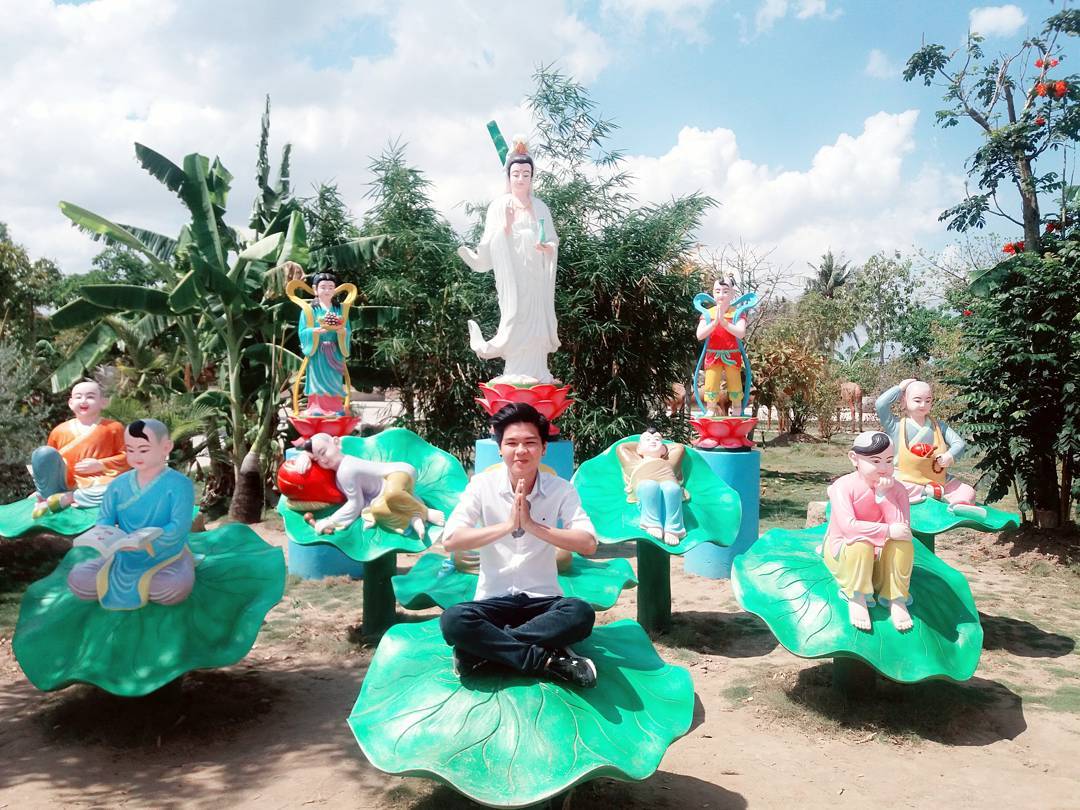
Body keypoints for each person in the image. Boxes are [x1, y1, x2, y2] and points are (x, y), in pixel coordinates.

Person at [439, 403, 600, 687]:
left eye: (530, 443)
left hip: (543, 602)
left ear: (544, 448)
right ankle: (547, 661)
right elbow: (451, 539)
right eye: (512, 443)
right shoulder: (481, 486)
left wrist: (532, 526)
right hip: (492, 602)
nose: (521, 451)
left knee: (581, 614)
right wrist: (508, 525)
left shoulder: (561, 489)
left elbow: (588, 544)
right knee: (454, 620)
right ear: (500, 448)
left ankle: (484, 651)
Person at [457, 137, 559, 383]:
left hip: (536, 273)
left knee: (536, 316)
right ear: (508, 176)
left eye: (526, 174)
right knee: (516, 314)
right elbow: (491, 241)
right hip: (513, 276)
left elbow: (553, 240)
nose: (521, 179)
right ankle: (515, 369)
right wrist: (507, 226)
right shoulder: (499, 206)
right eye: (516, 174)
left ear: (532, 177)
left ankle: (539, 370)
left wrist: (546, 247)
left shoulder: (541, 206)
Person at [67, 419, 196, 610]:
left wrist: (146, 542)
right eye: (130, 449)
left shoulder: (180, 484)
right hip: (122, 555)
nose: (136, 456)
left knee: (173, 587)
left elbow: (178, 527)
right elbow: (105, 520)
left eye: (143, 450)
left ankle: (181, 569)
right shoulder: (118, 485)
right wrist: (109, 540)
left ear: (166, 447)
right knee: (78, 579)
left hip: (164, 555)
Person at [823, 431, 914, 633]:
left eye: (889, 461)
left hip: (881, 553)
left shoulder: (897, 490)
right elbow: (848, 527)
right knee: (860, 543)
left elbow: (903, 531)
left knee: (902, 545)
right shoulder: (843, 487)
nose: (884, 468)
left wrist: (884, 497)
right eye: (875, 461)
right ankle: (857, 595)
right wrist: (888, 530)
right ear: (854, 458)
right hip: (847, 550)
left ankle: (896, 598)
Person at [291, 433, 445, 538]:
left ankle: (426, 512)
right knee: (378, 511)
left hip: (397, 475)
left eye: (323, 452)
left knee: (392, 495)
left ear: (336, 442)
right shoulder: (340, 473)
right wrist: (304, 455)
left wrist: (330, 521)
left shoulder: (346, 469)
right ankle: (413, 518)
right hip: (386, 495)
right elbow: (310, 448)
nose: (322, 460)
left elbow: (355, 504)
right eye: (317, 459)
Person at [29, 379, 128, 518]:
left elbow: (128, 458)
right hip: (64, 481)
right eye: (78, 397)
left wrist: (101, 465)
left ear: (104, 402)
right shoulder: (60, 430)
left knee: (118, 490)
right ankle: (47, 497)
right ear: (70, 403)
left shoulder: (113, 428)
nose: (84, 401)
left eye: (90, 397)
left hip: (98, 483)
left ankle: (69, 498)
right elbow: (50, 463)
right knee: (43, 453)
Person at [875, 378, 978, 509]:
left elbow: (959, 443)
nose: (923, 405)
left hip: (937, 477)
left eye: (928, 401)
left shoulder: (939, 426)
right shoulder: (895, 426)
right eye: (917, 400)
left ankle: (959, 505)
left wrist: (949, 456)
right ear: (904, 401)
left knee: (968, 491)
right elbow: (880, 405)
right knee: (892, 486)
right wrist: (899, 389)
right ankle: (928, 492)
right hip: (905, 478)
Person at [616, 428, 688, 546]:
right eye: (647, 440)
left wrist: (662, 447)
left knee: (672, 489)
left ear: (664, 449)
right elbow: (622, 447)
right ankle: (652, 523)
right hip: (644, 485)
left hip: (667, 480)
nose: (653, 441)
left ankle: (673, 528)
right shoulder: (634, 463)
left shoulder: (669, 462)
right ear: (639, 448)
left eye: (657, 440)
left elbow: (679, 448)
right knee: (649, 486)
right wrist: (640, 444)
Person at [296, 271, 352, 415]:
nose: (327, 290)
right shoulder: (308, 311)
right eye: (323, 287)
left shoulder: (341, 309)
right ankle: (316, 407)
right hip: (317, 351)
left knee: (334, 379)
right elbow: (302, 331)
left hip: (334, 351)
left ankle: (335, 407)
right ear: (315, 289)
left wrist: (343, 332)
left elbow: (348, 330)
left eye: (330, 287)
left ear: (335, 289)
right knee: (317, 380)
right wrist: (313, 332)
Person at [696, 276, 747, 417]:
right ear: (713, 293)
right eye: (717, 291)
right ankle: (711, 409)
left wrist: (724, 323)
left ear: (732, 294)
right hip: (713, 355)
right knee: (711, 382)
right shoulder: (708, 313)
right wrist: (714, 323)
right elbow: (700, 335)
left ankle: (737, 409)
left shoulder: (737, 313)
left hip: (732, 353)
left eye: (725, 291)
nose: (721, 295)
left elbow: (741, 333)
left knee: (734, 381)